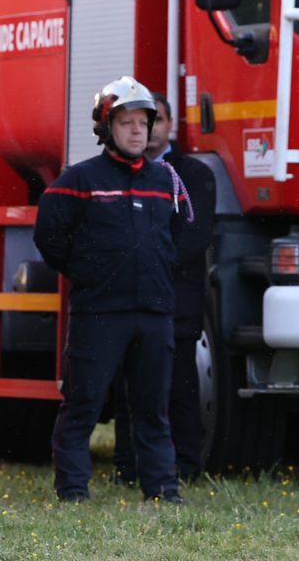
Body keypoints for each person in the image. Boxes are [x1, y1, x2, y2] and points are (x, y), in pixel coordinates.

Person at [34, 76, 190, 504]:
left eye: (145, 122)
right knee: (82, 405)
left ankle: (162, 491)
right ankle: (73, 492)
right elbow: (50, 237)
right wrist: (89, 274)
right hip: (99, 313)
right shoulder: (77, 181)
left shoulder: (166, 181)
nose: (139, 130)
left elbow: (178, 236)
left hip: (154, 314)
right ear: (106, 128)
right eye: (127, 122)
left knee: (153, 409)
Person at [111, 93, 216, 484]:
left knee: (180, 387)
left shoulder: (194, 175)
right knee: (128, 388)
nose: (148, 129)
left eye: (155, 120)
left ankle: (186, 465)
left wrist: (148, 265)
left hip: (176, 300)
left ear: (171, 125)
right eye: (138, 121)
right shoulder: (113, 172)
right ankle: (128, 467)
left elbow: (195, 235)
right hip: (126, 299)